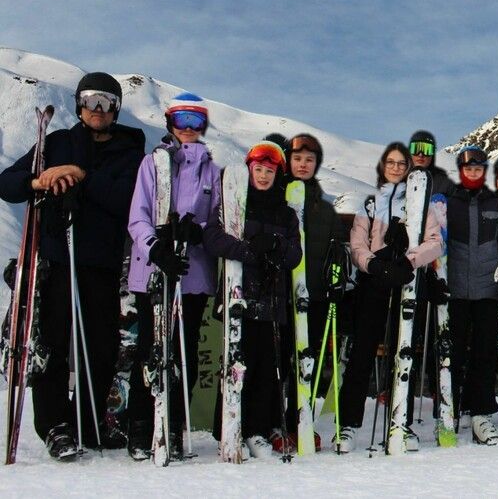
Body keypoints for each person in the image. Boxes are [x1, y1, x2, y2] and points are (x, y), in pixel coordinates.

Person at [0, 73, 145, 460]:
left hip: (101, 262)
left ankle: (90, 421)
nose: (98, 109)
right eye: (91, 100)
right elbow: (7, 183)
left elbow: (124, 198)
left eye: (106, 102)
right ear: (79, 103)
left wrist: (81, 177)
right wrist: (40, 181)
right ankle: (55, 426)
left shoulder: (131, 153)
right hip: (58, 258)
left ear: (116, 109)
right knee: (54, 342)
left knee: (101, 345)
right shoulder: (57, 142)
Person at [123, 93, 221, 460]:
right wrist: (156, 248)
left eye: (197, 121)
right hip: (156, 269)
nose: (190, 129)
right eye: (182, 120)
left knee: (186, 351)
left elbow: (218, 220)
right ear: (170, 123)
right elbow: (138, 215)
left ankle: (173, 427)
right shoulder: (153, 164)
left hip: (193, 274)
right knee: (151, 347)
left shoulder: (212, 170)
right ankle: (140, 428)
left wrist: (199, 232)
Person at [333, 143, 441, 452]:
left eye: (401, 163)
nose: (395, 168)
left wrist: (410, 260)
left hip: (405, 281)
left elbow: (435, 242)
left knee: (401, 351)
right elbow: (357, 244)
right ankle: (348, 425)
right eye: (390, 163)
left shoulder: (420, 205)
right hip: (374, 282)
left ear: (408, 168)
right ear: (383, 166)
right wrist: (375, 264)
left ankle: (400, 422)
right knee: (362, 352)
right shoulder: (371, 202)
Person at [203, 142, 303, 457]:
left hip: (271, 300)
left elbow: (294, 254)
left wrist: (274, 244)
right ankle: (229, 428)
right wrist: (248, 250)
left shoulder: (285, 214)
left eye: (269, 171)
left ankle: (257, 430)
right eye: (257, 170)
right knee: (236, 362)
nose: (262, 176)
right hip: (239, 296)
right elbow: (214, 237)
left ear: (278, 175)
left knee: (265, 366)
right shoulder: (235, 202)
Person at [446, 146, 498, 445]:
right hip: (456, 288)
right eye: (468, 169)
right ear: (461, 172)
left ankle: (482, 413)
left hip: (488, 287)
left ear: (484, 171)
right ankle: (452, 407)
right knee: (455, 351)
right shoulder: (450, 202)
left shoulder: (496, 203)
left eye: (478, 169)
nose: (473, 173)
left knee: (485, 352)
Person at [283, 134, 349, 436]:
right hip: (280, 296)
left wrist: (336, 275)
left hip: (315, 297)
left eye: (309, 160)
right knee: (281, 361)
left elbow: (337, 253)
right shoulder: (276, 198)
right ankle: (273, 422)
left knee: (306, 362)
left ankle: (300, 419)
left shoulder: (326, 210)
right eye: (297, 159)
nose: (303, 165)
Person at [408, 130, 454, 197]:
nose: (420, 155)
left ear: (432, 154)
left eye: (427, 150)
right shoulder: (399, 179)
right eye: (415, 149)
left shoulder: (445, 184)